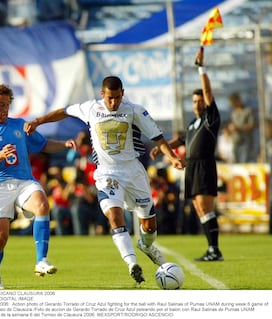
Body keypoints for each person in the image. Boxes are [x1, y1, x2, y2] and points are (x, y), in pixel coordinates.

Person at [25, 76, 185, 285]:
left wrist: (172, 157)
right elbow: (64, 111)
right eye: (110, 98)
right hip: (107, 173)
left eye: (117, 98)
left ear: (123, 93)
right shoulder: (90, 108)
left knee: (149, 227)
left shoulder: (135, 110)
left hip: (133, 172)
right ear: (103, 94)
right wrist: (38, 121)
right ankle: (132, 264)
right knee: (114, 215)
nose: (113, 102)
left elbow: (157, 137)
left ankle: (146, 246)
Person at [0, 84, 76, 290]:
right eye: (1, 105)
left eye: (8, 105)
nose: (5, 109)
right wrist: (0, 155)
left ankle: (41, 261)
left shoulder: (20, 125)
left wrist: (64, 145)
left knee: (42, 205)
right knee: (0, 238)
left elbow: (44, 145)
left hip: (24, 181)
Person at [151, 49, 223, 261]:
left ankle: (215, 250)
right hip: (192, 167)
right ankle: (211, 248)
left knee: (205, 206)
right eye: (194, 101)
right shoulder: (194, 123)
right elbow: (181, 139)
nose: (197, 104)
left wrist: (201, 68)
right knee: (199, 209)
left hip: (204, 165)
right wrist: (162, 147)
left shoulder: (211, 118)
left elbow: (208, 94)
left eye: (200, 101)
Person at [228, 92, 256, 163]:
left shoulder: (248, 111)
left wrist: (239, 128)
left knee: (244, 162)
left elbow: (252, 125)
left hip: (245, 142)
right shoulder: (233, 113)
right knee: (236, 163)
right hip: (236, 142)